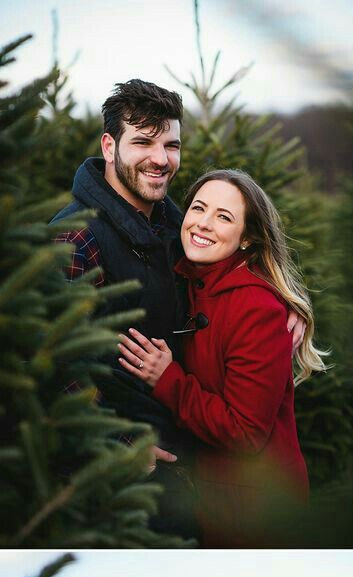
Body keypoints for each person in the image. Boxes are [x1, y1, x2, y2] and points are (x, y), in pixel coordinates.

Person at [51, 80, 304, 540]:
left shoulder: (175, 224)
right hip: (128, 481)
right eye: (143, 142)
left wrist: (288, 307)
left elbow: (234, 274)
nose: (160, 158)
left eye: (171, 144)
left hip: (198, 465)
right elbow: (52, 366)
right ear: (110, 146)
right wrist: (120, 445)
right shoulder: (75, 239)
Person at [118, 168, 321, 547]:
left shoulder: (255, 308)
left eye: (224, 217)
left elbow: (245, 434)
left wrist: (167, 380)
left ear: (247, 239)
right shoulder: (188, 278)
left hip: (255, 511)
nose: (204, 224)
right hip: (209, 498)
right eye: (198, 208)